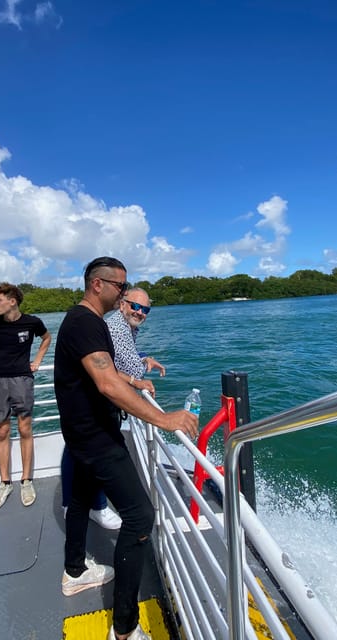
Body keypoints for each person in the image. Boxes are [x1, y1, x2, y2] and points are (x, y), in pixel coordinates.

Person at [53, 257, 199, 640]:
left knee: (82, 500)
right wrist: (165, 419)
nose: (124, 294)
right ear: (98, 285)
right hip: (97, 438)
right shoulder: (85, 323)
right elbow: (105, 383)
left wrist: (134, 379)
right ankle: (125, 628)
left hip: (82, 435)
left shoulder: (85, 322)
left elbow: (105, 371)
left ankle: (75, 572)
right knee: (139, 517)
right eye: (121, 287)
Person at [59, 287, 164, 531]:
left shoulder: (123, 325)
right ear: (122, 304)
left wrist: (144, 357)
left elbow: (122, 358)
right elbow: (119, 368)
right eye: (135, 306)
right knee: (95, 458)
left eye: (145, 309)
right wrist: (138, 380)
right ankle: (94, 506)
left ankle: (76, 505)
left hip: (90, 403)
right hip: (98, 402)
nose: (140, 312)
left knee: (77, 454)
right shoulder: (116, 327)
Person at [0, 282, 51, 510]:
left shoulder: (32, 322)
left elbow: (46, 338)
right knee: (2, 430)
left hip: (22, 379)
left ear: (12, 301)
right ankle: (4, 483)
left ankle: (26, 480)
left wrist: (38, 361)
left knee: (24, 428)